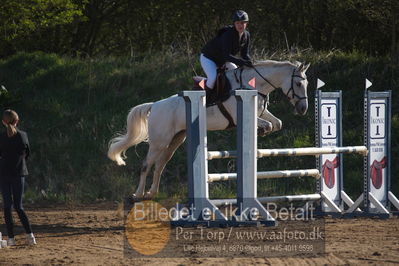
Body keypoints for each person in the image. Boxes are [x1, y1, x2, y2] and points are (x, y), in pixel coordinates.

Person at [0, 109, 36, 246]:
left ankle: (11, 239)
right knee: (19, 206)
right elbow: (27, 154)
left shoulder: (1, 137)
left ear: (3, 122)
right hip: (19, 173)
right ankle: (30, 236)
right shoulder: (23, 136)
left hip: (4, 174)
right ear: (17, 121)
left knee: (7, 206)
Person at [200, 10, 253, 90]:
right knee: (212, 78)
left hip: (223, 60)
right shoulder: (228, 34)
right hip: (209, 58)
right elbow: (227, 56)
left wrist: (251, 63)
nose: (240, 25)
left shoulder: (246, 35)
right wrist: (241, 62)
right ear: (234, 24)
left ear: (246, 24)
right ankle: (205, 99)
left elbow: (244, 54)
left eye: (242, 23)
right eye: (237, 23)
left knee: (237, 75)